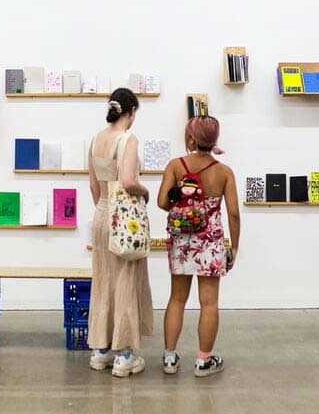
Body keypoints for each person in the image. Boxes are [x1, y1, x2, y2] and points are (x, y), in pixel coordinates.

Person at [157, 115, 240, 378]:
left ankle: (170, 358)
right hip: (211, 243)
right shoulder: (224, 172)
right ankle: (204, 361)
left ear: (191, 138)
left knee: (177, 298)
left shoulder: (175, 165)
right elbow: (234, 213)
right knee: (209, 303)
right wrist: (234, 247)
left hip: (182, 241)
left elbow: (161, 202)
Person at [87, 88, 154, 378]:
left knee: (103, 282)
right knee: (126, 282)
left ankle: (100, 351)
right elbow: (128, 181)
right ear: (132, 112)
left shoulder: (96, 139)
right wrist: (145, 191)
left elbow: (92, 185)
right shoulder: (128, 139)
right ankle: (124, 355)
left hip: (101, 214)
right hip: (124, 221)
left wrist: (104, 210)